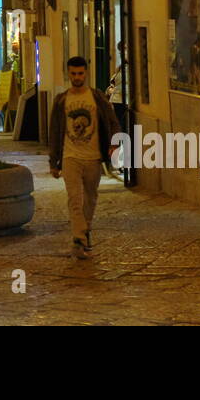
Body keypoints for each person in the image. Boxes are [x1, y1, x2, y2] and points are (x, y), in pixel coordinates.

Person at [49, 55, 122, 259]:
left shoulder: (97, 98)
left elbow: (114, 123)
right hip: (70, 156)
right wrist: (53, 161)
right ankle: (79, 238)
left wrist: (114, 144)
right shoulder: (62, 100)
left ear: (86, 73)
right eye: (73, 74)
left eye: (80, 73)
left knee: (90, 198)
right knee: (75, 198)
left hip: (93, 157)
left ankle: (86, 230)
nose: (77, 77)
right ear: (68, 74)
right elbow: (54, 132)